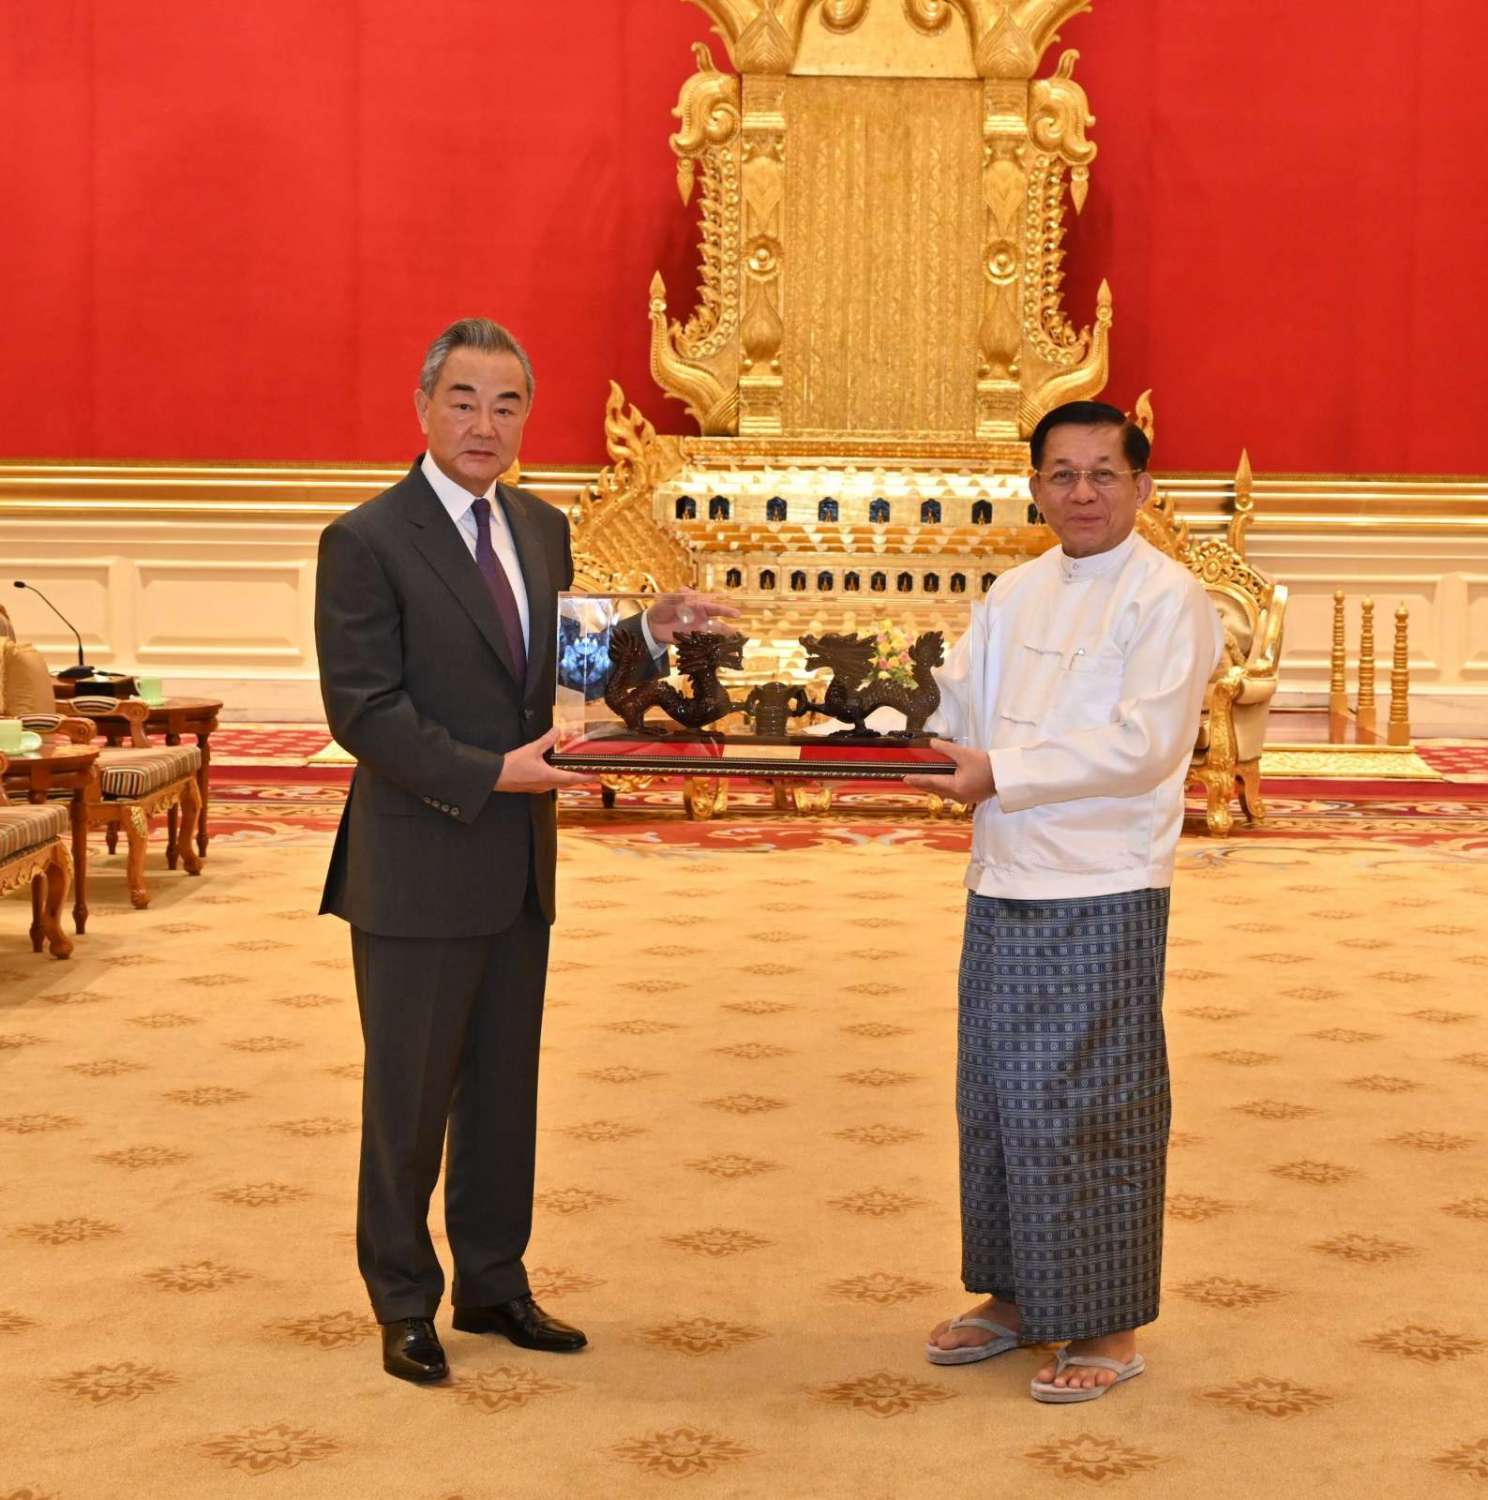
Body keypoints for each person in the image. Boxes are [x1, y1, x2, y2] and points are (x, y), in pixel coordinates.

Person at [315, 317, 732, 1384]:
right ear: (424, 407)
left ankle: (495, 1283)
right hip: (417, 862)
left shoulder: (541, 526)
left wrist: (651, 630)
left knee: (504, 1092)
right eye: (463, 400)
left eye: (506, 405)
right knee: (409, 1101)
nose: (484, 424)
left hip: (518, 865)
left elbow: (570, 669)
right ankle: (403, 1299)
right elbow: (364, 710)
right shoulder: (366, 539)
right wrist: (491, 772)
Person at [905, 399, 1223, 1403]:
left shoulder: (1169, 598)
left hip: (1103, 881)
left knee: (1094, 1107)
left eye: (1103, 474)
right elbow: (954, 704)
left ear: (1142, 486)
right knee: (997, 1099)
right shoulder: (1015, 591)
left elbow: (1147, 747)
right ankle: (1011, 1296)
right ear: (1034, 486)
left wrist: (1000, 773)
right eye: (1062, 474)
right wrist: (870, 721)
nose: (1082, 493)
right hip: (1003, 873)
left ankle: (1108, 1324)